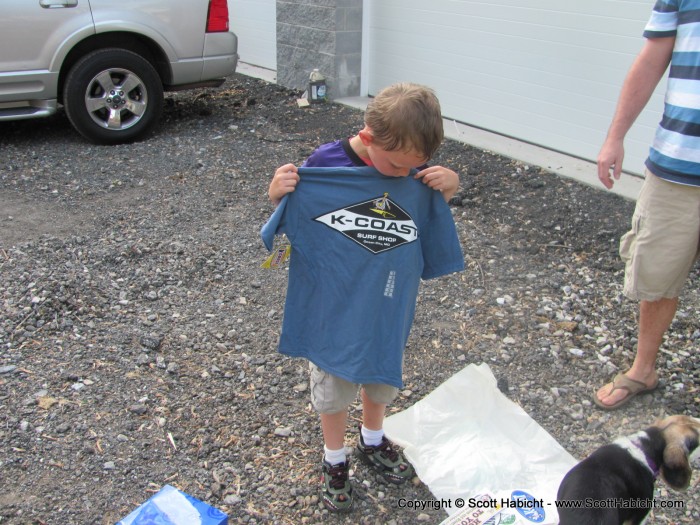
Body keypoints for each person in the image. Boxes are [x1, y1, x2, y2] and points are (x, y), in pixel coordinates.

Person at [263, 83, 464, 511]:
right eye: (394, 166)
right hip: (332, 306)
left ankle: (372, 440)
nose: (401, 175)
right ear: (368, 137)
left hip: (388, 305)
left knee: (381, 375)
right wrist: (277, 193)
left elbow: (427, 219)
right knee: (334, 385)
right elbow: (285, 219)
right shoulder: (323, 165)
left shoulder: (414, 173)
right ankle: (334, 459)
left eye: (415, 167)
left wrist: (446, 187)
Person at [594, 0, 700, 410]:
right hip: (677, 163)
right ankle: (643, 369)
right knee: (655, 273)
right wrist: (614, 137)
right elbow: (652, 60)